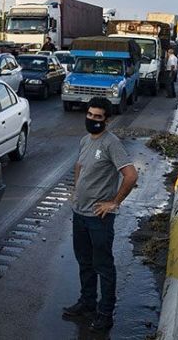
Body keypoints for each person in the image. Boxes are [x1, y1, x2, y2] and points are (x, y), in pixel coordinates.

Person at [62, 97, 139, 332]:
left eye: (98, 117)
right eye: (90, 115)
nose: (93, 119)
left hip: (99, 218)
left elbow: (131, 175)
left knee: (103, 265)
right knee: (84, 262)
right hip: (80, 214)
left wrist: (113, 203)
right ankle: (87, 303)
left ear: (107, 119)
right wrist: (77, 191)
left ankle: (105, 313)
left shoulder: (111, 143)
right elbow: (79, 166)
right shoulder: (86, 140)